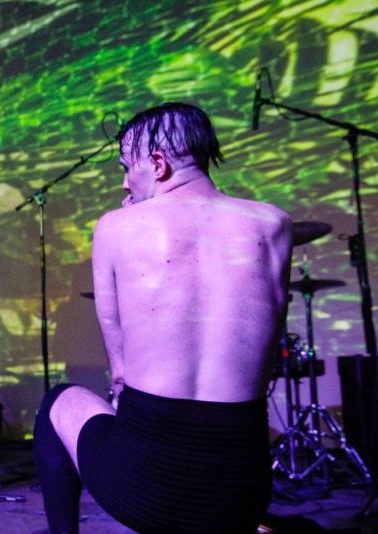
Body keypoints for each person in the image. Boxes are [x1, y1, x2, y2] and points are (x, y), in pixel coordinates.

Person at [33, 102, 292, 533]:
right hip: (243, 495)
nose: (124, 182)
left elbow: (120, 375)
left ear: (157, 164)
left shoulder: (115, 226)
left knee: (57, 401)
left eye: (125, 168)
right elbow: (265, 363)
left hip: (147, 493)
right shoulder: (274, 224)